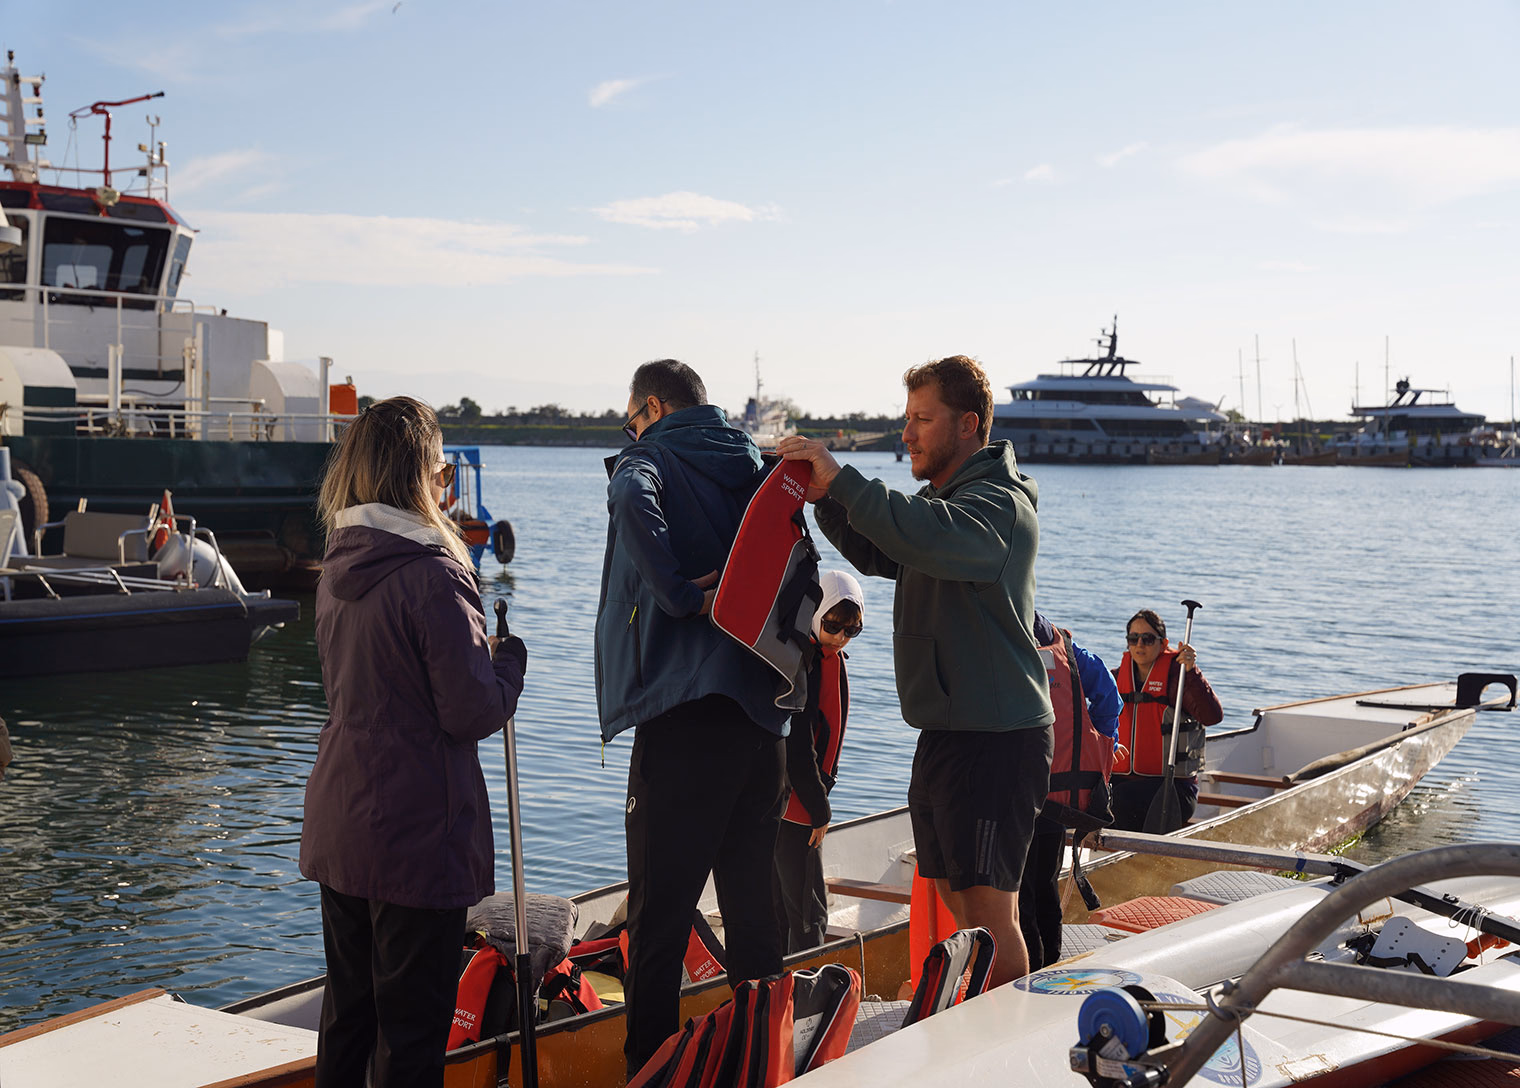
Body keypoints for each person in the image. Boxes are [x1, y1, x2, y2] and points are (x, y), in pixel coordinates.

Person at [779, 355, 1054, 988]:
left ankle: (1004, 1034)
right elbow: (885, 545)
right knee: (962, 909)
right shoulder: (942, 506)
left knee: (989, 921)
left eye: (922, 420)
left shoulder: (999, 508)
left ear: (968, 424)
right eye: (906, 419)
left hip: (997, 740)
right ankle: (977, 1023)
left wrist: (844, 479)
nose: (906, 434)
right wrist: (828, 499)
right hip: (948, 735)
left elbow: (923, 533)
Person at [298, 396, 528, 1088]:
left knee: (348, 1017)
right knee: (413, 1036)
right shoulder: (434, 575)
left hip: (343, 817)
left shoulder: (337, 570)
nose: (445, 486)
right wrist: (509, 665)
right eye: (441, 472)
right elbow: (470, 710)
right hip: (417, 829)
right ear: (420, 476)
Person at [596, 359, 791, 1076]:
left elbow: (630, 496)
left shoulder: (649, 458)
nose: (631, 435)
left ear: (653, 407)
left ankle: (649, 1071)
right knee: (753, 909)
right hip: (761, 717)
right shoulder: (755, 465)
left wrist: (680, 594)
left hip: (682, 721)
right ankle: (762, 1062)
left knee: (659, 919)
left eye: (631, 421)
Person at [1020, 611, 1121, 971]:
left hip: (1015, 793)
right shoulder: (1068, 650)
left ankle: (1026, 970)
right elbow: (1110, 698)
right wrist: (1104, 745)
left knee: (1017, 891)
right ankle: (1048, 963)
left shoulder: (1002, 640)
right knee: (1044, 883)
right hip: (1057, 795)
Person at [773, 570, 865, 953]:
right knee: (809, 915)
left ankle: (779, 981)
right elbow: (798, 746)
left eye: (852, 629)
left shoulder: (821, 657)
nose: (840, 636)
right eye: (832, 626)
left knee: (784, 909)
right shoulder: (806, 665)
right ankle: (805, 984)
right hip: (797, 807)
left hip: (782, 804)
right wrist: (819, 808)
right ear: (815, 614)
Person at [1110, 607, 1223, 832]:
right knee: (1091, 794)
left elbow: (1212, 716)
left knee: (1119, 799)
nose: (1139, 644)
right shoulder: (1115, 678)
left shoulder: (1179, 680)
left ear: (1163, 643)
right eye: (1133, 638)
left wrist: (1191, 673)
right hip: (1122, 780)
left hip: (1172, 788)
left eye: (1148, 639)